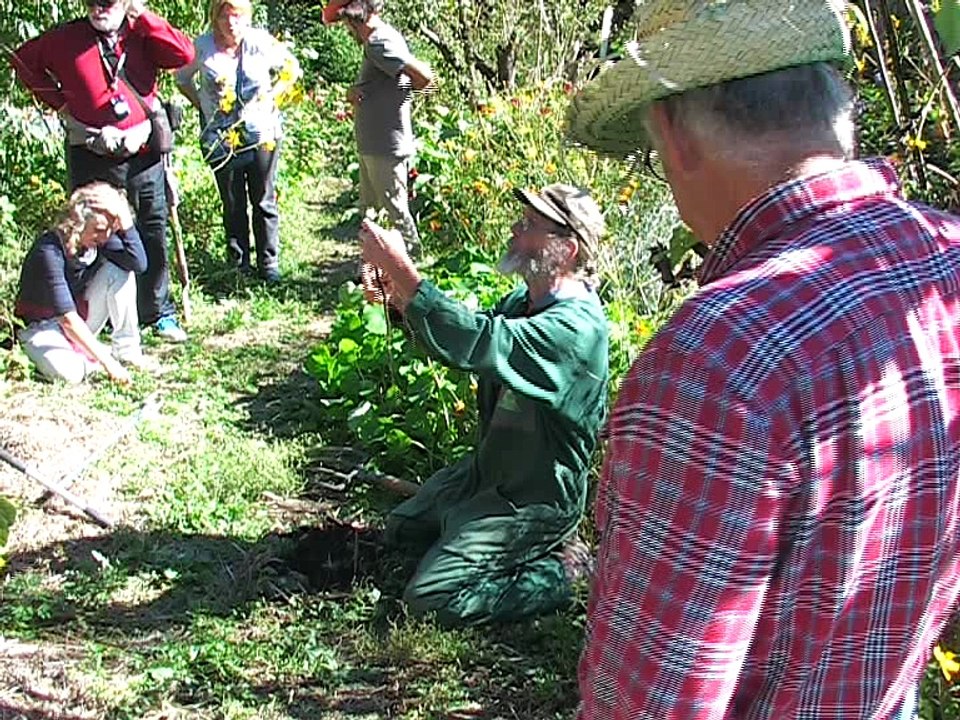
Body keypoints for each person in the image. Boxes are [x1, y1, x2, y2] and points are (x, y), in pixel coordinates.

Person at [566, 1, 960, 718]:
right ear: (837, 111)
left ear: (675, 133)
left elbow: (653, 701)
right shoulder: (946, 258)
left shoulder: (718, 357)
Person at [359, 184, 609, 627]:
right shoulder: (523, 303)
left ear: (567, 249)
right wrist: (398, 303)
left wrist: (402, 269)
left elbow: (482, 342)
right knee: (401, 531)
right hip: (487, 474)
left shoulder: (575, 330)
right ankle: (476, 534)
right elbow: (466, 347)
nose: (516, 228)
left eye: (530, 225)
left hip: (534, 498)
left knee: (432, 598)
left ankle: (566, 572)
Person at [12, 0, 194, 343]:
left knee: (152, 229)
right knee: (95, 235)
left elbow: (183, 54)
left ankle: (158, 312)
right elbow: (22, 60)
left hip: (143, 153)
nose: (99, 7)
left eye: (108, 1)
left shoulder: (140, 33)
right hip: (91, 153)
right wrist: (61, 104)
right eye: (91, 2)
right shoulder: (65, 39)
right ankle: (102, 313)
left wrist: (142, 14)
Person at [175, 0, 301, 283]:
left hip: (261, 134)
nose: (231, 23)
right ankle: (239, 264)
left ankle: (269, 265)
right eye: (224, 16)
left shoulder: (260, 41)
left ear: (246, 18)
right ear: (215, 17)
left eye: (237, 16)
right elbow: (181, 79)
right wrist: (203, 106)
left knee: (263, 199)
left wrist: (274, 95)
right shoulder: (203, 46)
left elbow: (292, 69)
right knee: (232, 201)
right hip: (220, 138)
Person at [323, 0, 433, 257]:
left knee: (395, 210)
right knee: (371, 211)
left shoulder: (378, 44)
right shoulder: (382, 40)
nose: (348, 31)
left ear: (353, 18)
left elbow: (424, 78)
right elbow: (394, 81)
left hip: (385, 144)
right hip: (376, 142)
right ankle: (375, 268)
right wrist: (361, 93)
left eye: (346, 24)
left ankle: (415, 266)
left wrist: (411, 89)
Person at [15, 182, 152, 385]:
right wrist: (108, 364)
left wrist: (125, 221)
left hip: (79, 317)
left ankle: (126, 351)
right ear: (77, 223)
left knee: (120, 271)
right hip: (41, 326)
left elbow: (138, 264)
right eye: (98, 230)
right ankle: (89, 357)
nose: (105, 237)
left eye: (109, 230)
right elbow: (67, 319)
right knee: (71, 375)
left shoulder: (99, 241)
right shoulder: (49, 251)